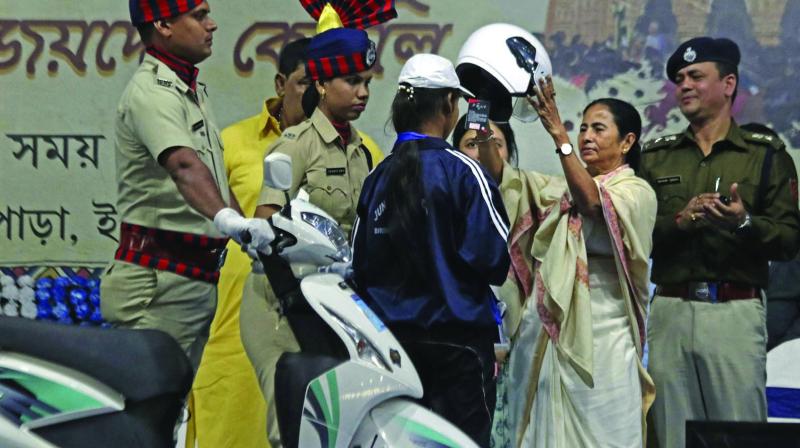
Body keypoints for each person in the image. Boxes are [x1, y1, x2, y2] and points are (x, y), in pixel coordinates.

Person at [238, 2, 394, 445]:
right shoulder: (294, 146)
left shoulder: (363, 150)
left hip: (331, 306)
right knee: (291, 423)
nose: (363, 92)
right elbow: (266, 228)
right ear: (322, 85)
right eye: (352, 82)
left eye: (367, 82)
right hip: (278, 305)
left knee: (332, 425)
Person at [639, 37, 800, 448]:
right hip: (670, 312)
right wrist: (680, 220)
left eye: (696, 76)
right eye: (679, 79)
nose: (684, 86)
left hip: (734, 312)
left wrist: (743, 222)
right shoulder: (656, 156)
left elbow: (788, 240)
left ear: (728, 84)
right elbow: (632, 235)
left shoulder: (765, 156)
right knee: (670, 434)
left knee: (739, 435)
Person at [100, 0, 274, 372]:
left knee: (168, 411)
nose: (211, 25)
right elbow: (183, 165)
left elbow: (211, 178)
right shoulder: (152, 92)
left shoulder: (188, 88)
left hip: (190, 281)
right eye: (199, 16)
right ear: (163, 23)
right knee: (147, 411)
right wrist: (229, 219)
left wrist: (249, 236)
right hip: (158, 286)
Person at [351, 53, 511, 447]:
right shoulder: (463, 171)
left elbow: (359, 267)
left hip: (393, 349)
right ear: (448, 105)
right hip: (458, 350)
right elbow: (494, 260)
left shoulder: (378, 176)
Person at [490, 77, 655, 447]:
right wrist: (482, 117)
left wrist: (558, 136)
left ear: (627, 142)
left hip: (608, 341)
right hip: (556, 337)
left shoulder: (636, 192)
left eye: (599, 128)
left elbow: (594, 205)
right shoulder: (563, 191)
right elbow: (506, 178)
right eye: (581, 129)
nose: (586, 137)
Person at [452, 116, 524, 447]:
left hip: (525, 354)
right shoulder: (442, 205)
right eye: (471, 144)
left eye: (493, 144)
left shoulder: (532, 203)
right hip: (464, 357)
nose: (482, 152)